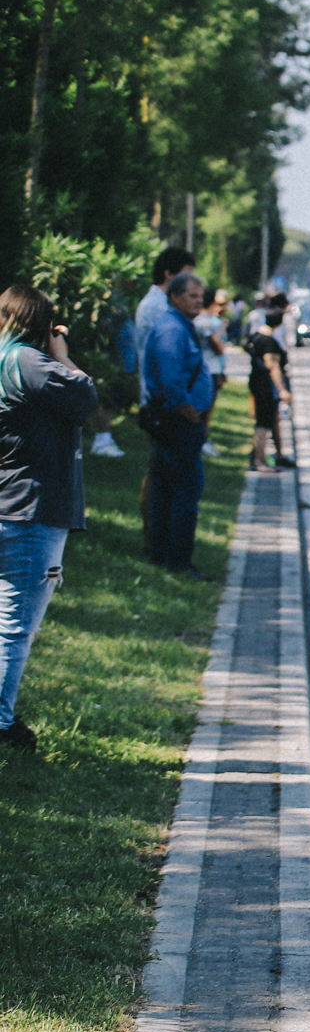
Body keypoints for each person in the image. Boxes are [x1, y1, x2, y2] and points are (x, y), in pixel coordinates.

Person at [0, 285, 97, 755]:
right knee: (15, 626)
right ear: (41, 323)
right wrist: (64, 355)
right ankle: (1, 723)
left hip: (7, 501)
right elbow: (83, 397)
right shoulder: (28, 362)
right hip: (30, 509)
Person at [140, 271, 214, 578]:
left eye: (201, 296)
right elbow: (171, 378)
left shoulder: (181, 326)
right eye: (192, 296)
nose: (199, 301)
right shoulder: (172, 329)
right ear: (175, 297)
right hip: (176, 420)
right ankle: (178, 559)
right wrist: (188, 410)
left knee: (166, 487)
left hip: (177, 419)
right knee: (185, 489)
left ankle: (162, 552)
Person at [246, 309, 294, 471]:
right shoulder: (268, 341)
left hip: (256, 381)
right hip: (266, 385)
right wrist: (282, 390)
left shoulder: (256, 336)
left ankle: (264, 457)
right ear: (279, 323)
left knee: (267, 420)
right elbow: (272, 366)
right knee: (264, 422)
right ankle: (259, 461)